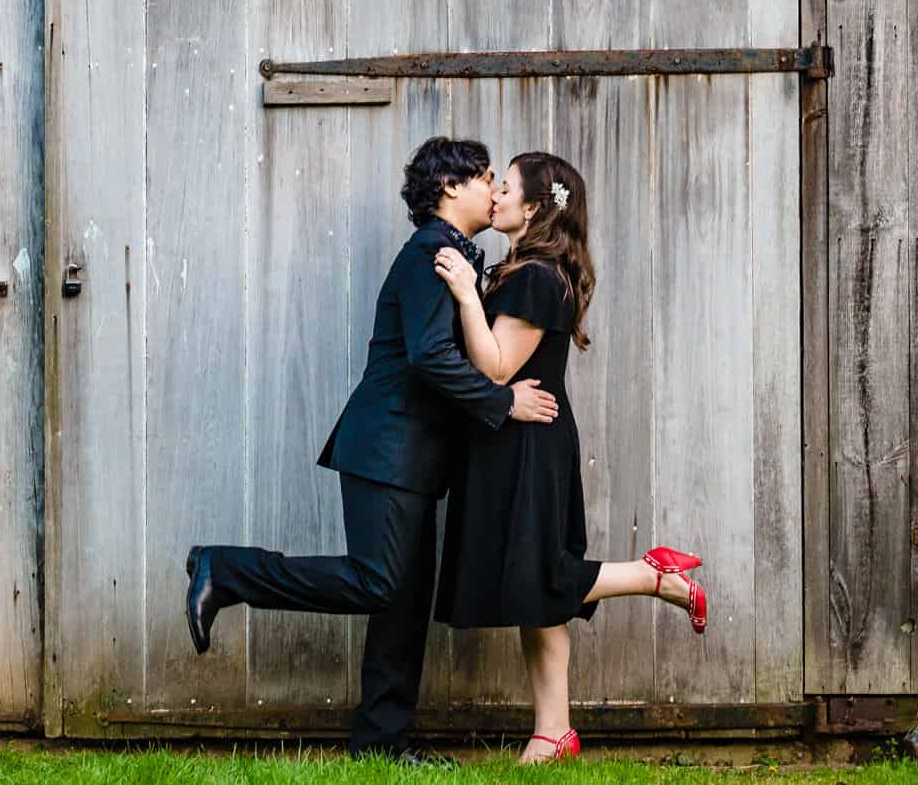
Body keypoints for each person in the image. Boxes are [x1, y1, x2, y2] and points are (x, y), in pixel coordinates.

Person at [182, 136, 560, 763]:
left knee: (405, 606)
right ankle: (224, 570)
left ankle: (382, 742)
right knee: (378, 583)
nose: (494, 190)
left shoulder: (453, 255)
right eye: (486, 178)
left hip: (414, 457)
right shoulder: (431, 253)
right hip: (388, 448)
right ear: (450, 187)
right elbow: (430, 356)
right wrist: (502, 403)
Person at [430, 150, 709, 764]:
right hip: (518, 437)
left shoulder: (536, 276)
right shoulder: (528, 269)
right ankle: (553, 731)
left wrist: (465, 295)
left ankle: (652, 575)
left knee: (542, 574)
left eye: (504, 187)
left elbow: (498, 364)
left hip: (528, 446)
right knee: (536, 596)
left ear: (533, 206)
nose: (494, 194)